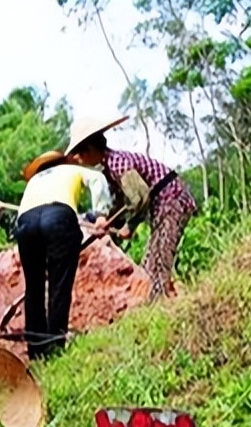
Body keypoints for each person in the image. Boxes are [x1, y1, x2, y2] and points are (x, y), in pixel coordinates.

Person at [65, 116, 197, 300]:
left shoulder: (118, 163)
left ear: (91, 149)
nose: (77, 159)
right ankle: (154, 303)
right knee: (151, 261)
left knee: (160, 259)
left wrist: (130, 226)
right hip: (162, 205)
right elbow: (119, 204)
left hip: (172, 200)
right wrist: (105, 223)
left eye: (79, 153)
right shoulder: (109, 170)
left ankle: (160, 305)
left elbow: (140, 197)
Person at [14, 150, 114, 359]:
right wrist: (101, 215)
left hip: (26, 223)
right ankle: (55, 347)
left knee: (34, 288)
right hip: (58, 218)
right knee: (59, 285)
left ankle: (36, 351)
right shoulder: (70, 169)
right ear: (62, 161)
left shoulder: (34, 183)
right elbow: (98, 179)